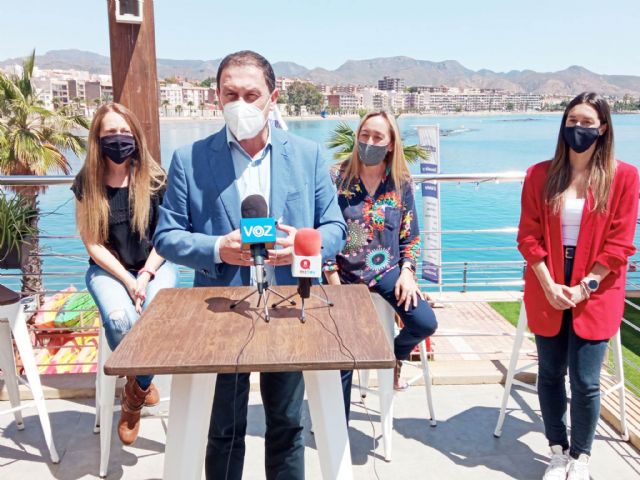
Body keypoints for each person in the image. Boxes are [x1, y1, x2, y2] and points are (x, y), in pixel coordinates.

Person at [153, 50, 346, 480]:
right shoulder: (189, 159)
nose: (240, 103)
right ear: (216, 98)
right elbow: (166, 236)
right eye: (231, 94)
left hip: (289, 307)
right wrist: (217, 247)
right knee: (223, 429)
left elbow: (335, 228)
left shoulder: (309, 155)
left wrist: (301, 245)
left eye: (251, 94)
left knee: (287, 425)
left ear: (272, 98)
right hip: (221, 312)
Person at [517, 92, 638, 480]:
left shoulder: (624, 177)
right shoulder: (540, 175)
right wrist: (549, 284)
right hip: (548, 281)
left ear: (602, 128)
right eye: (572, 121)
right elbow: (528, 236)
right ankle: (557, 450)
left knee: (585, 381)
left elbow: (620, 243)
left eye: (587, 123)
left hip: (597, 284)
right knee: (550, 374)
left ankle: (581, 457)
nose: (578, 129)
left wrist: (585, 286)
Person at [73, 103, 178, 445]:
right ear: (97, 138)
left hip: (155, 265)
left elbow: (166, 236)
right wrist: (128, 280)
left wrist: (145, 275)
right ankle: (143, 380)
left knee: (156, 318)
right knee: (120, 321)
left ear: (135, 134)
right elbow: (93, 243)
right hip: (109, 270)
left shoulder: (155, 178)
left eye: (124, 131)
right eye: (110, 133)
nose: (118, 139)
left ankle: (134, 394)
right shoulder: (87, 183)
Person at [324, 111, 438, 419]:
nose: (369, 142)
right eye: (365, 135)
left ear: (390, 144)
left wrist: (408, 272)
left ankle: (391, 357)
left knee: (424, 322)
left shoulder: (400, 182)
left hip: (387, 271)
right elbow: (321, 229)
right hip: (342, 275)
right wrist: (333, 281)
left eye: (377, 137)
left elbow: (410, 235)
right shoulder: (336, 178)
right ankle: (338, 425)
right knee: (344, 349)